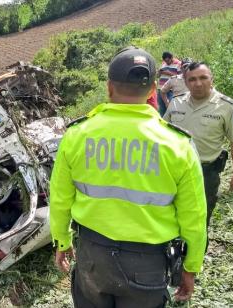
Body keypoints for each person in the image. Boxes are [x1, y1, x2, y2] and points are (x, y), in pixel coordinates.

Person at [50, 47, 207, 307]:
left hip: (92, 257)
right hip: (148, 265)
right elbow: (194, 216)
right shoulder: (178, 144)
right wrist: (190, 267)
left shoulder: (77, 135)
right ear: (153, 90)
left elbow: (60, 199)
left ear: (109, 87)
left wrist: (62, 241)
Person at [164, 62, 233, 226]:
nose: (198, 83)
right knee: (171, 214)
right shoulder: (176, 103)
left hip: (206, 173)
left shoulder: (226, 106)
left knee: (200, 219)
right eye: (192, 79)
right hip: (175, 170)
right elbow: (163, 133)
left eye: (203, 78)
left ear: (212, 79)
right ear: (186, 82)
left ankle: (198, 251)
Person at [157, 51, 182, 116]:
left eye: (168, 61)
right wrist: (159, 72)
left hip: (171, 90)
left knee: (171, 108)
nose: (167, 62)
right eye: (165, 61)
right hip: (161, 89)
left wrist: (169, 73)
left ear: (172, 58)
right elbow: (157, 76)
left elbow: (181, 77)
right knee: (162, 108)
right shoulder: (163, 63)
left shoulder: (178, 64)